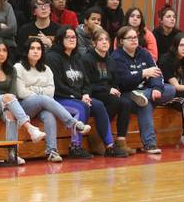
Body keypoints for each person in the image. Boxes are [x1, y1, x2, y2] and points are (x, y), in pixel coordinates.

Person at [47, 26, 125, 158]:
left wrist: (86, 94)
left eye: (74, 37)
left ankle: (110, 146)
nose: (72, 39)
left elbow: (86, 82)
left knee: (99, 105)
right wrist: (79, 96)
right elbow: (58, 85)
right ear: (60, 39)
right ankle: (75, 147)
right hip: (60, 98)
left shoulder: (77, 57)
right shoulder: (52, 57)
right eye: (68, 37)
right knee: (81, 107)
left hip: (78, 97)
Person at [14, 38, 93, 162]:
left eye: (39, 49)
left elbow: (50, 93)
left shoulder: (47, 69)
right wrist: (40, 93)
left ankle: (52, 151)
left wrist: (35, 91)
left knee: (49, 114)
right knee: (42, 99)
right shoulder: (18, 67)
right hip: (24, 106)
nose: (36, 51)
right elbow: (21, 92)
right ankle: (73, 123)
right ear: (26, 51)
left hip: (43, 104)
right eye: (32, 48)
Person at [0, 39, 47, 164]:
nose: (1, 54)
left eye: (4, 50)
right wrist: (4, 98)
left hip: (6, 105)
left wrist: (6, 100)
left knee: (11, 116)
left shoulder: (11, 70)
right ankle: (29, 127)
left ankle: (12, 155)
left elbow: (13, 94)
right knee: (8, 98)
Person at [111, 25, 169, 154]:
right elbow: (124, 81)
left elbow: (156, 72)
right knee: (144, 105)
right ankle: (150, 145)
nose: (134, 40)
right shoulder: (117, 57)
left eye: (135, 37)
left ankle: (144, 94)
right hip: (128, 94)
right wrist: (143, 73)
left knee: (170, 90)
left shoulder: (144, 53)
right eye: (130, 38)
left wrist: (156, 88)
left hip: (145, 91)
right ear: (121, 41)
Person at [81, 28, 137, 156]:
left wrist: (116, 89)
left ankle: (121, 141)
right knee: (116, 102)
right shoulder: (87, 59)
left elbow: (115, 82)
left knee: (126, 103)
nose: (104, 42)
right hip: (94, 92)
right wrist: (108, 89)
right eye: (101, 40)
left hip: (109, 93)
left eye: (106, 39)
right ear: (94, 43)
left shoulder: (111, 60)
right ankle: (97, 136)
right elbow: (87, 84)